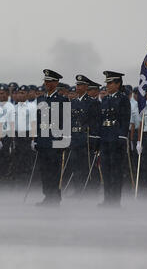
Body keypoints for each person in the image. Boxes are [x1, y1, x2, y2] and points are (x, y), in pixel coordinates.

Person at [32, 69, 69, 207]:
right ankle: (47, 196)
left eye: (49, 81)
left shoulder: (62, 99)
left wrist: (65, 139)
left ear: (56, 82)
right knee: (44, 171)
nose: (46, 83)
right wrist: (35, 139)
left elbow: (65, 121)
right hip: (43, 140)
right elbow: (38, 120)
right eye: (45, 81)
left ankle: (55, 197)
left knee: (54, 170)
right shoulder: (40, 99)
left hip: (55, 140)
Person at [98, 71, 131, 207]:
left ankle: (115, 201)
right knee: (106, 170)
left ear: (118, 84)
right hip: (105, 137)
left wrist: (122, 137)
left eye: (110, 83)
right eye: (107, 83)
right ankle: (107, 199)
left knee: (116, 171)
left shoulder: (123, 99)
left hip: (116, 137)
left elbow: (125, 119)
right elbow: (101, 119)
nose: (107, 85)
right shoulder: (105, 99)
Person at [68, 75, 101, 196]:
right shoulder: (74, 102)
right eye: (77, 85)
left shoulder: (92, 103)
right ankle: (78, 190)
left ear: (86, 87)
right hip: (75, 138)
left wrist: (95, 139)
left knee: (87, 166)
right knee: (75, 166)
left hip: (87, 139)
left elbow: (96, 123)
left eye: (81, 85)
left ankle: (90, 191)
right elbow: (71, 121)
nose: (78, 87)